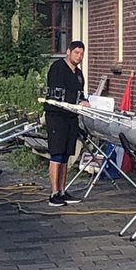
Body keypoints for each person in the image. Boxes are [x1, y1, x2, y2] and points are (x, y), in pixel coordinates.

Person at [44, 41, 87, 207]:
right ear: (68, 52)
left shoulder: (79, 73)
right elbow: (57, 93)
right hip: (56, 115)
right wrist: (77, 101)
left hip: (71, 116)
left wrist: (85, 101)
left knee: (66, 154)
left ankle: (62, 190)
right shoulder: (57, 68)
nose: (79, 56)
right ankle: (54, 193)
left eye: (81, 53)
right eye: (76, 53)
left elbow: (80, 93)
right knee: (56, 153)